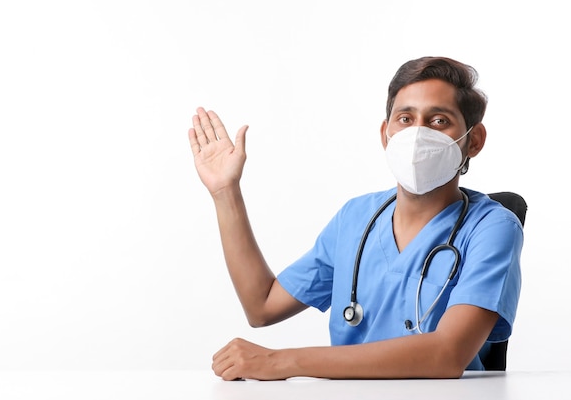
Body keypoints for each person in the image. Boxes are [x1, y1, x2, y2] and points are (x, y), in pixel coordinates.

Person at [187, 56, 523, 381]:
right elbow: (261, 307)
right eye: (405, 119)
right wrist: (225, 192)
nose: (418, 134)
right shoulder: (356, 218)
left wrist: (281, 361)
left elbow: (446, 355)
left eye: (438, 121)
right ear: (385, 134)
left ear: (473, 140)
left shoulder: (492, 228)